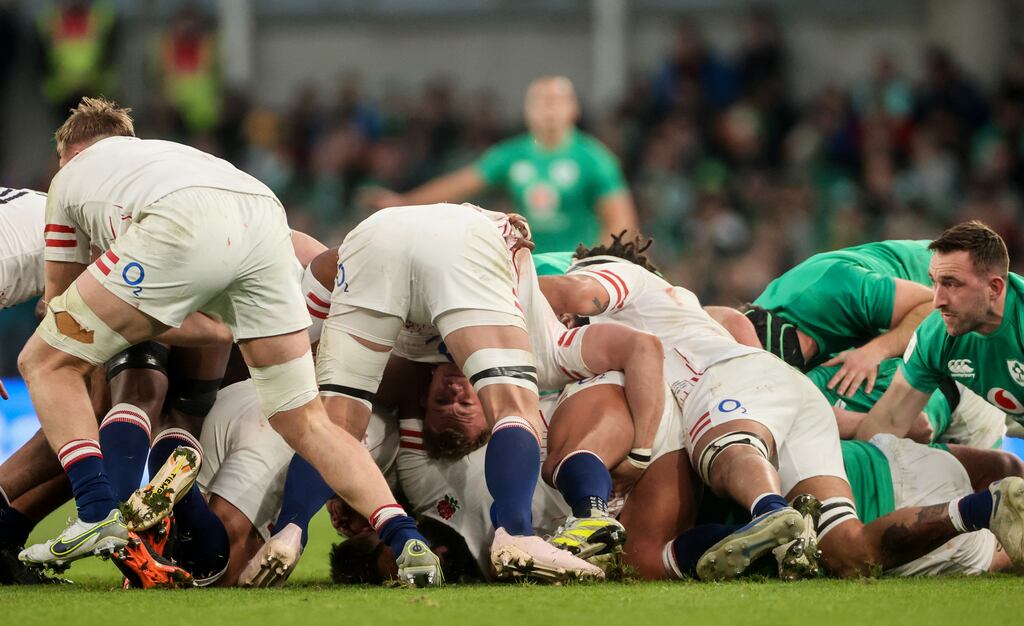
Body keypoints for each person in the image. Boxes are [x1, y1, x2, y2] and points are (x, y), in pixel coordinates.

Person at [16, 97, 441, 587]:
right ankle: (407, 538)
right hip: (263, 215)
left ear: (68, 152)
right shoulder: (163, 155)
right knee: (305, 421)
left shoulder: (69, 178)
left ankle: (95, 510)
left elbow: (58, 300)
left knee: (44, 361)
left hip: (178, 224)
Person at [541, 233, 1024, 578]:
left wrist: (495, 315)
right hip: (811, 406)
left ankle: (768, 509)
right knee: (847, 553)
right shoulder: (712, 315)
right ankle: (987, 506)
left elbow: (927, 313)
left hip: (938, 383)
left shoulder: (820, 287)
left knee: (729, 446)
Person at [362, 76, 638, 253]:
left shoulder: (594, 158)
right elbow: (461, 184)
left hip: (576, 264)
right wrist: (405, 203)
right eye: (540, 102)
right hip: (527, 265)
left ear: (573, 109)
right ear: (527, 110)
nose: (548, 109)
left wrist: (596, 264)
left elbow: (621, 220)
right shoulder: (512, 154)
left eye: (556, 101)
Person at [858, 223, 1024, 473]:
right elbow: (886, 423)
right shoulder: (936, 334)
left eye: (952, 284)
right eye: (934, 282)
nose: (937, 301)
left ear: (994, 288)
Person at [747, 239, 934, 395]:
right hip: (878, 316)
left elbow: (935, 306)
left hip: (938, 280)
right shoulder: (756, 323)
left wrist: (876, 351)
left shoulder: (837, 290)